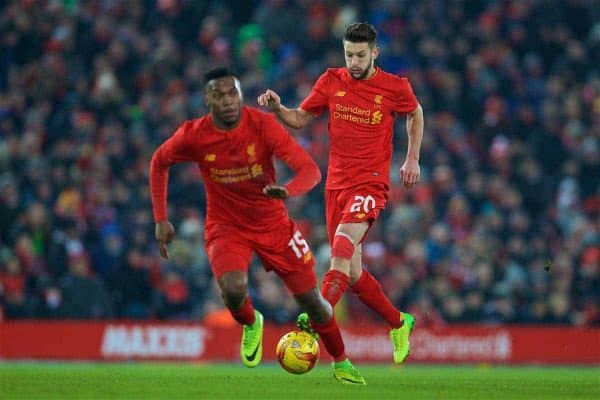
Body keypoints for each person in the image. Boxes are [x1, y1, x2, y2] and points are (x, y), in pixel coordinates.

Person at [149, 67, 365, 384]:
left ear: (241, 95)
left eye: (232, 93)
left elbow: (309, 170)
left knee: (314, 304)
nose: (227, 101)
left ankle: (341, 360)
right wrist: (160, 218)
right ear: (207, 99)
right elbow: (159, 162)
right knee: (233, 291)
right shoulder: (194, 135)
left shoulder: (262, 125)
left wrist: (288, 190)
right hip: (226, 226)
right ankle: (252, 323)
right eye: (218, 95)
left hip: (274, 225)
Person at [258, 22, 424, 364]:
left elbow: (414, 113)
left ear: (375, 53)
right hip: (336, 185)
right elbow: (301, 118)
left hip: (371, 182)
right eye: (349, 54)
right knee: (351, 273)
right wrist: (278, 109)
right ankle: (399, 321)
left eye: (361, 55)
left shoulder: (394, 87)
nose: (354, 61)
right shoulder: (332, 81)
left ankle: (317, 313)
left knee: (343, 243)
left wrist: (412, 158)